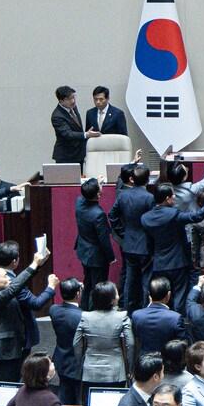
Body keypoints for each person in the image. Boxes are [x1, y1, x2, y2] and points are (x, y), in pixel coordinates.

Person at [0, 246, 51, 383]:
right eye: (5, 276)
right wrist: (33, 264)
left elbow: (17, 285)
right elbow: (13, 289)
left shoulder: (0, 291)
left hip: (13, 350)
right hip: (0, 355)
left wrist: (39, 265)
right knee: (2, 392)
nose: (9, 278)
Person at [142, 185, 204, 312]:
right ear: (167, 198)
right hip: (178, 262)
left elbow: (149, 243)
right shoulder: (173, 214)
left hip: (159, 263)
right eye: (173, 195)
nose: (175, 197)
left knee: (161, 296)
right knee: (179, 296)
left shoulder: (145, 218)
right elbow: (197, 216)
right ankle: (178, 322)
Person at [109, 163, 155, 312]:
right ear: (147, 180)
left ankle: (128, 309)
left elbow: (112, 215)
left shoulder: (123, 195)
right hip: (145, 244)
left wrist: (122, 232)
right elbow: (153, 220)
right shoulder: (149, 198)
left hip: (128, 243)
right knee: (145, 280)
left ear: (132, 179)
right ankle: (144, 309)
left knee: (130, 279)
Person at [75, 281, 134, 392]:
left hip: (90, 370)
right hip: (115, 371)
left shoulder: (85, 317)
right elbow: (130, 344)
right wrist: (130, 368)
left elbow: (76, 344)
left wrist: (80, 365)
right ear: (112, 299)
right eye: (116, 294)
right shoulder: (122, 317)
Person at [74, 179, 114, 309]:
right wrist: (111, 257)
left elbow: (85, 192)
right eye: (100, 186)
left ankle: (84, 308)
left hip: (84, 250)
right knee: (98, 287)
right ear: (98, 194)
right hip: (97, 257)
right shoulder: (99, 214)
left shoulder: (79, 203)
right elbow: (104, 239)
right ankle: (94, 311)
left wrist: (95, 182)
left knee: (88, 282)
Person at [50, 277, 84, 405]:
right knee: (78, 398)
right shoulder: (82, 316)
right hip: (77, 361)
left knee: (64, 393)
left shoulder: (53, 310)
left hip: (61, 358)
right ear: (78, 294)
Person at [133, 277, 185, 359]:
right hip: (167, 363)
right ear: (168, 295)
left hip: (144, 361)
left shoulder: (136, 315)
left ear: (149, 294)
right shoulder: (176, 318)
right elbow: (182, 344)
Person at [52, 85, 99, 164]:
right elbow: (68, 134)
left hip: (78, 153)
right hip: (66, 156)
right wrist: (86, 135)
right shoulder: (57, 116)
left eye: (73, 97)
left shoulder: (73, 107)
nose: (73, 101)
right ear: (61, 100)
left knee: (79, 176)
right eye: (69, 99)